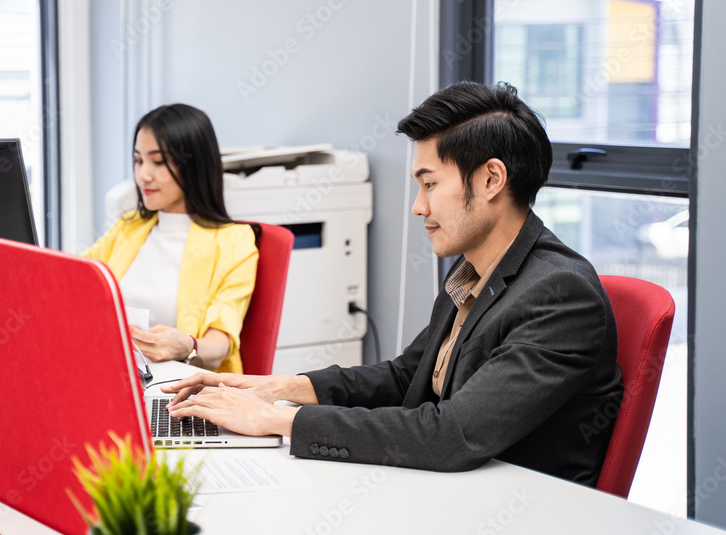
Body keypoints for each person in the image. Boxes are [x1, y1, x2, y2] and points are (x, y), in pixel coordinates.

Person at [165, 81, 622, 486]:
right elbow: (407, 375)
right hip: (454, 489)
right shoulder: (473, 272)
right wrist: (277, 388)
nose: (418, 207)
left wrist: (277, 421)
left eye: (429, 185)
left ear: (490, 179)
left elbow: (452, 434)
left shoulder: (560, 295)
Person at [84, 103, 258, 373]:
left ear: (194, 166)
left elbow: (219, 345)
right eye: (139, 160)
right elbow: (77, 282)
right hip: (113, 372)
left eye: (159, 161)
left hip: (183, 388)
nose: (143, 175)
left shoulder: (235, 242)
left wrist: (186, 345)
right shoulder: (129, 227)